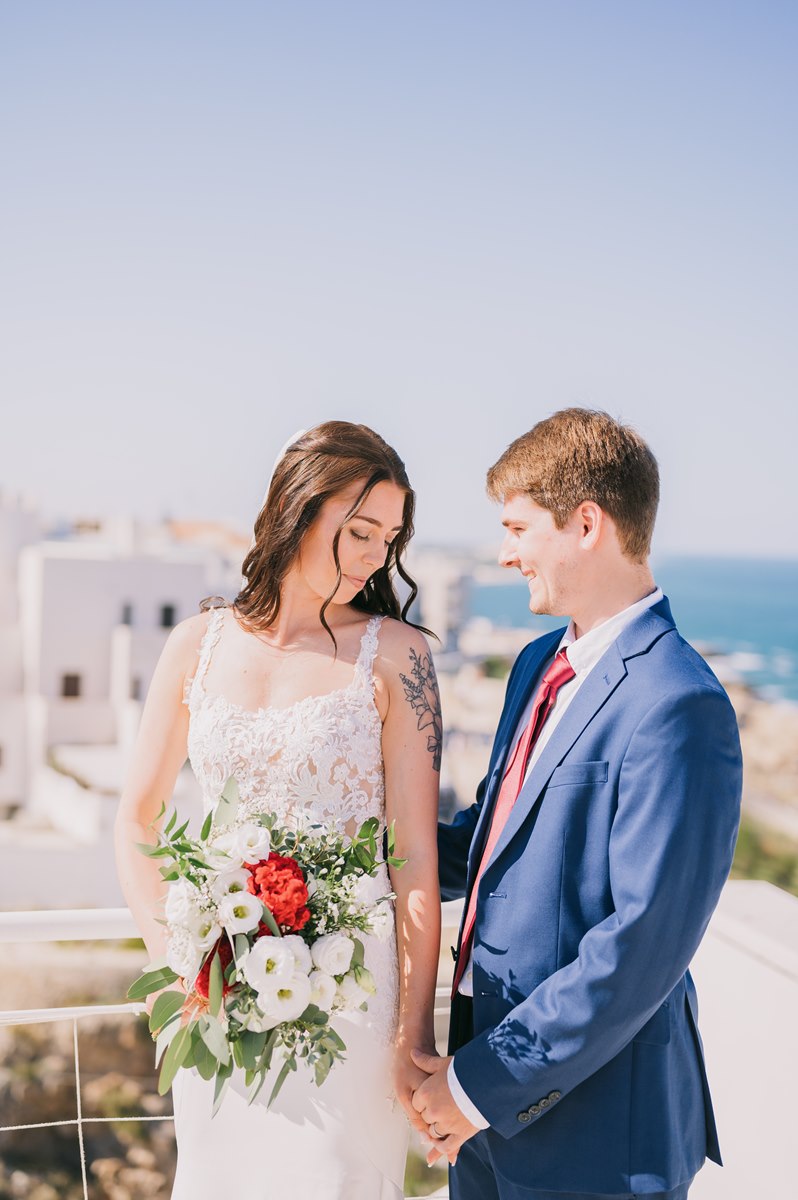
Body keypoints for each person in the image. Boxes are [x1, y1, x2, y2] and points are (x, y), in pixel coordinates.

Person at [411, 408, 742, 1200]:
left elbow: (638, 950)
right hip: (488, 1106)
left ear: (586, 523)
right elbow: (488, 845)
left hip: (596, 1136)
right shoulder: (535, 665)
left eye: (518, 528)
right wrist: (344, 860)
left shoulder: (679, 702)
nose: (504, 552)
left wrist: (473, 1088)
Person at [114, 421, 442, 1200]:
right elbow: (136, 819)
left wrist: (412, 1033)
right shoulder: (195, 643)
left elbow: (416, 857)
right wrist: (182, 965)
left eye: (389, 539)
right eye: (359, 530)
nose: (375, 555)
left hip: (351, 1002)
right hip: (217, 999)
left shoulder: (399, 655)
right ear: (298, 510)